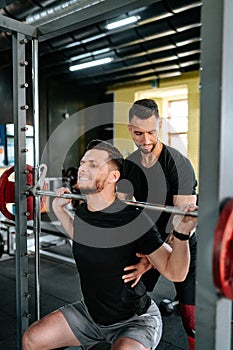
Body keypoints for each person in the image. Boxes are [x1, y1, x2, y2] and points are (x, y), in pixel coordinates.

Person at [22, 139, 197, 350]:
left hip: (135, 320)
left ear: (114, 176)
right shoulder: (84, 213)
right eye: (83, 163)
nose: (83, 168)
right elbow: (80, 235)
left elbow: (175, 272)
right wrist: (60, 210)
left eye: (93, 165)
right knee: (32, 339)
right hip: (90, 314)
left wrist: (182, 232)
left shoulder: (135, 220)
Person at [117, 99, 198, 350]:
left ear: (159, 126)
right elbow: (120, 208)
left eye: (151, 132)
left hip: (182, 242)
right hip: (149, 240)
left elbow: (182, 223)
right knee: (126, 290)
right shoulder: (129, 165)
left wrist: (150, 260)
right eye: (139, 133)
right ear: (130, 129)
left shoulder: (178, 164)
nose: (146, 140)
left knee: (190, 316)